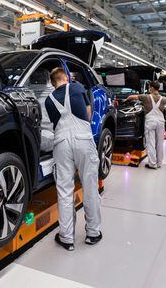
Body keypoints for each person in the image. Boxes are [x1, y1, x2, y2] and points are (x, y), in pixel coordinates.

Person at [44, 67, 102, 251]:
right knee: (90, 186)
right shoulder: (77, 87)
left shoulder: (48, 100)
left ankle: (66, 238)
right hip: (83, 139)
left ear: (53, 82)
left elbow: (55, 124)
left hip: (61, 143)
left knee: (64, 190)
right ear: (66, 77)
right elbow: (89, 112)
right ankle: (93, 233)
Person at [125, 80, 166, 169]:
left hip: (151, 122)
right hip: (161, 122)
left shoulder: (146, 97)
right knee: (159, 143)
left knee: (150, 143)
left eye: (149, 87)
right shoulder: (164, 99)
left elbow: (132, 96)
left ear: (151, 87)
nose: (148, 88)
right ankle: (159, 163)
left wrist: (126, 99)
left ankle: (152, 164)